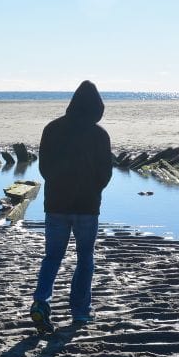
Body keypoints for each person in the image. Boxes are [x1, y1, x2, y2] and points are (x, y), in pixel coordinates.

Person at [29, 80, 112, 332]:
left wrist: (59, 186)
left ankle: (41, 303)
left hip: (56, 204)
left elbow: (44, 168)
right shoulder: (99, 134)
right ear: (97, 108)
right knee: (85, 258)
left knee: (52, 257)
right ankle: (81, 312)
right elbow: (105, 173)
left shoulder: (52, 129)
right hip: (87, 207)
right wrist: (93, 189)